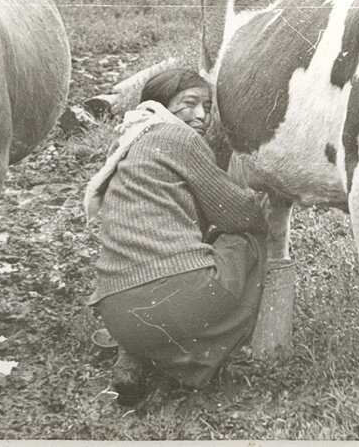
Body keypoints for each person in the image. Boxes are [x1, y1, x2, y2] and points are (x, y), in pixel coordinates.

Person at [85, 68, 268, 406]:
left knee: (198, 247)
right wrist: (261, 201)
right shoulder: (177, 137)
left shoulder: (126, 144)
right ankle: (194, 367)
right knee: (249, 238)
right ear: (162, 105)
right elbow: (237, 213)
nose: (201, 115)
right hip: (178, 302)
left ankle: (136, 358)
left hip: (116, 314)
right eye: (189, 104)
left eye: (208, 107)